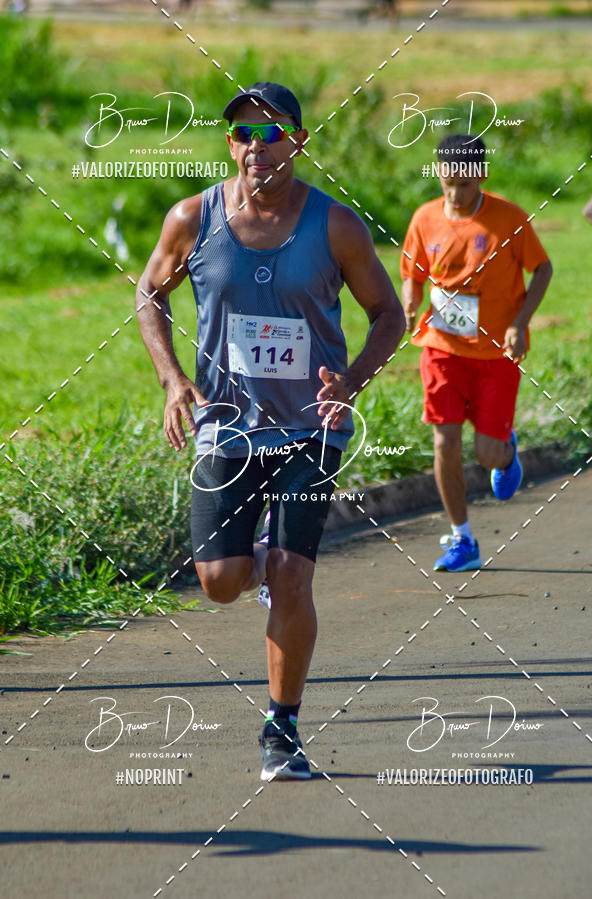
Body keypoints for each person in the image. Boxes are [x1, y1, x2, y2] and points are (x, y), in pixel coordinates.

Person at [136, 82, 405, 779]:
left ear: (299, 141)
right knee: (220, 581)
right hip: (225, 428)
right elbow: (148, 294)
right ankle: (251, 560)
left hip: (309, 430)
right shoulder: (191, 218)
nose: (258, 147)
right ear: (231, 145)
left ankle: (281, 729)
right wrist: (172, 379)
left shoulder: (335, 226)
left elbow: (389, 315)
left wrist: (350, 382)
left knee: (292, 578)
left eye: (273, 132)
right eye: (245, 136)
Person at [400, 134, 552, 573]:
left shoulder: (509, 219)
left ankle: (505, 451)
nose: (456, 194)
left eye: (464, 184)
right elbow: (412, 272)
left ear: (481, 175)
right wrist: (411, 299)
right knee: (444, 439)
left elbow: (543, 268)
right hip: (442, 347)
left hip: (495, 353)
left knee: (486, 455)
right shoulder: (425, 218)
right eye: (448, 183)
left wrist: (519, 324)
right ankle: (463, 538)